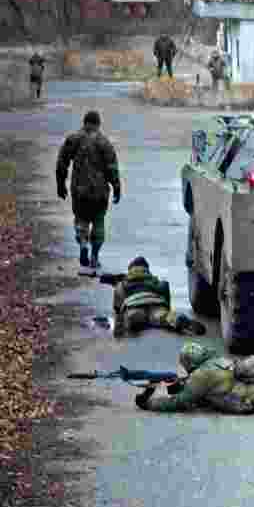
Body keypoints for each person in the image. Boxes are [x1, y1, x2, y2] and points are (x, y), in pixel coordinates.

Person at [56, 110, 121, 272]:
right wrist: (117, 187)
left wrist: (60, 184)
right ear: (98, 124)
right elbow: (112, 167)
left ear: (84, 122)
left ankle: (83, 243)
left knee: (81, 219)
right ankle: (94, 257)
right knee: (98, 222)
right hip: (100, 192)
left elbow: (62, 163)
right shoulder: (104, 142)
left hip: (80, 190)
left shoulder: (73, 139)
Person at [113, 256, 207, 338]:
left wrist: (118, 311)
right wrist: (167, 307)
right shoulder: (153, 280)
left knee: (134, 316)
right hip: (156, 303)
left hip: (134, 304)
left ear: (130, 270)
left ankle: (133, 320)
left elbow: (118, 297)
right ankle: (178, 320)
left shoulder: (123, 283)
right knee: (163, 316)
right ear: (147, 269)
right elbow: (164, 287)